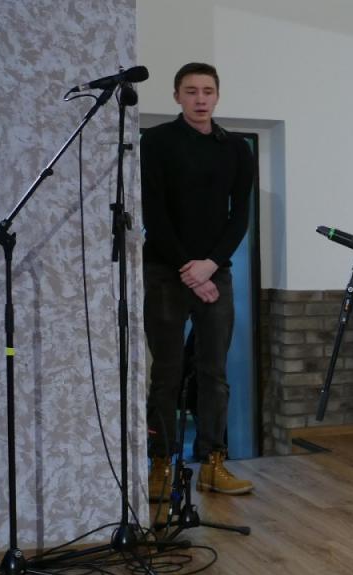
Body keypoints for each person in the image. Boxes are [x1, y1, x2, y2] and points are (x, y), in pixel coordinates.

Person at [141, 62, 254, 512]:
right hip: (164, 271)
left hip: (214, 271)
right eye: (191, 91)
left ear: (217, 96)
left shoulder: (236, 149)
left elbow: (238, 216)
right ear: (177, 96)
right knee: (166, 373)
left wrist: (209, 266)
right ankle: (160, 463)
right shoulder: (156, 142)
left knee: (214, 374)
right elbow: (153, 212)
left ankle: (212, 462)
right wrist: (188, 269)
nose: (200, 98)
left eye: (208, 91)